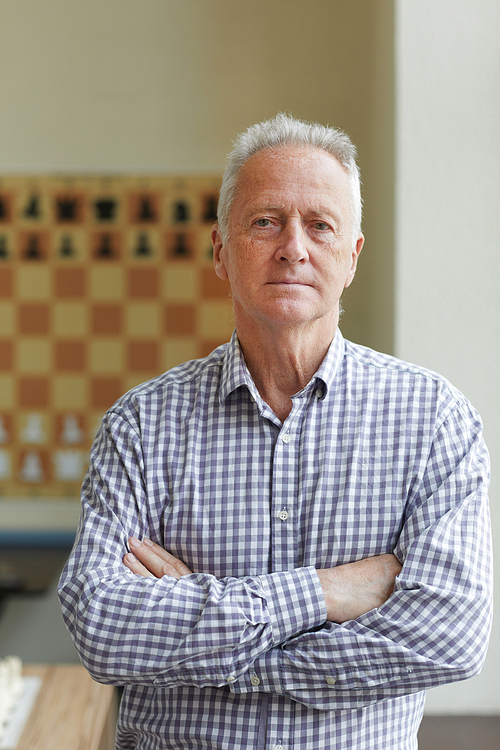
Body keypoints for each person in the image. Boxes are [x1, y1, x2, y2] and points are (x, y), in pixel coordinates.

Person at [58, 114, 493, 750]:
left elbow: (450, 634)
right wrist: (327, 592)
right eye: (265, 221)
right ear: (219, 250)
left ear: (352, 256)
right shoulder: (141, 426)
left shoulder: (434, 421)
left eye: (320, 225)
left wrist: (228, 649)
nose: (294, 246)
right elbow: (100, 625)